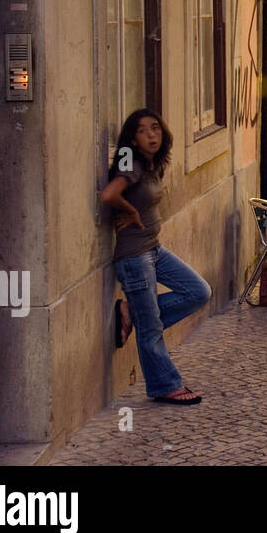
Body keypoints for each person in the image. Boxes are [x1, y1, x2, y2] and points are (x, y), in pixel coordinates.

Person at [100, 108, 210, 406]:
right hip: (134, 257)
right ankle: (165, 385)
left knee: (199, 292)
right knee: (150, 330)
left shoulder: (151, 164)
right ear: (133, 139)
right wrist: (131, 211)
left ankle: (132, 311)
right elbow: (108, 195)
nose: (151, 135)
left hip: (153, 249)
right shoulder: (132, 163)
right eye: (143, 131)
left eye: (155, 129)